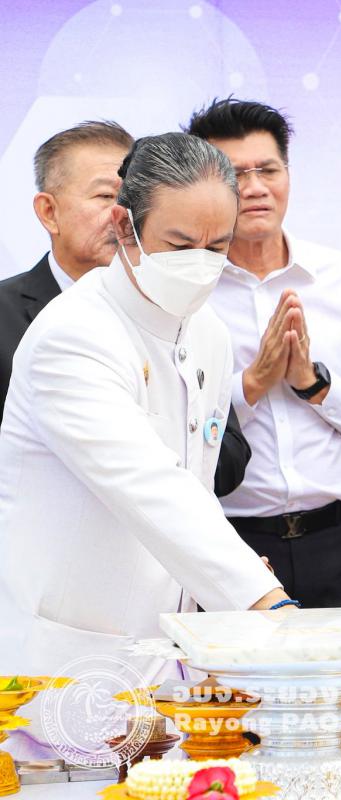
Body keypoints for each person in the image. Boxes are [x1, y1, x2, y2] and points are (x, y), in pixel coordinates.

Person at [0, 133, 290, 754]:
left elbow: (197, 488)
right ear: (124, 227)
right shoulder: (72, 336)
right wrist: (263, 602)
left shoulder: (208, 332)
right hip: (71, 657)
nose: (201, 264)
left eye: (218, 246)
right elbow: (150, 486)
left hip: (170, 656)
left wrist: (232, 584)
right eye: (180, 245)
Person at [187, 99, 341, 748]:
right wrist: (251, 385)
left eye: (269, 169)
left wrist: (316, 386)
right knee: (239, 740)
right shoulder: (187, 286)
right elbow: (169, 430)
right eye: (235, 174)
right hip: (233, 546)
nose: (255, 187)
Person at [0, 120, 252, 496]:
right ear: (49, 211)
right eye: (107, 195)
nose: (124, 212)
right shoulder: (27, 319)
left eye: (133, 196)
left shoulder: (190, 316)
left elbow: (225, 456)